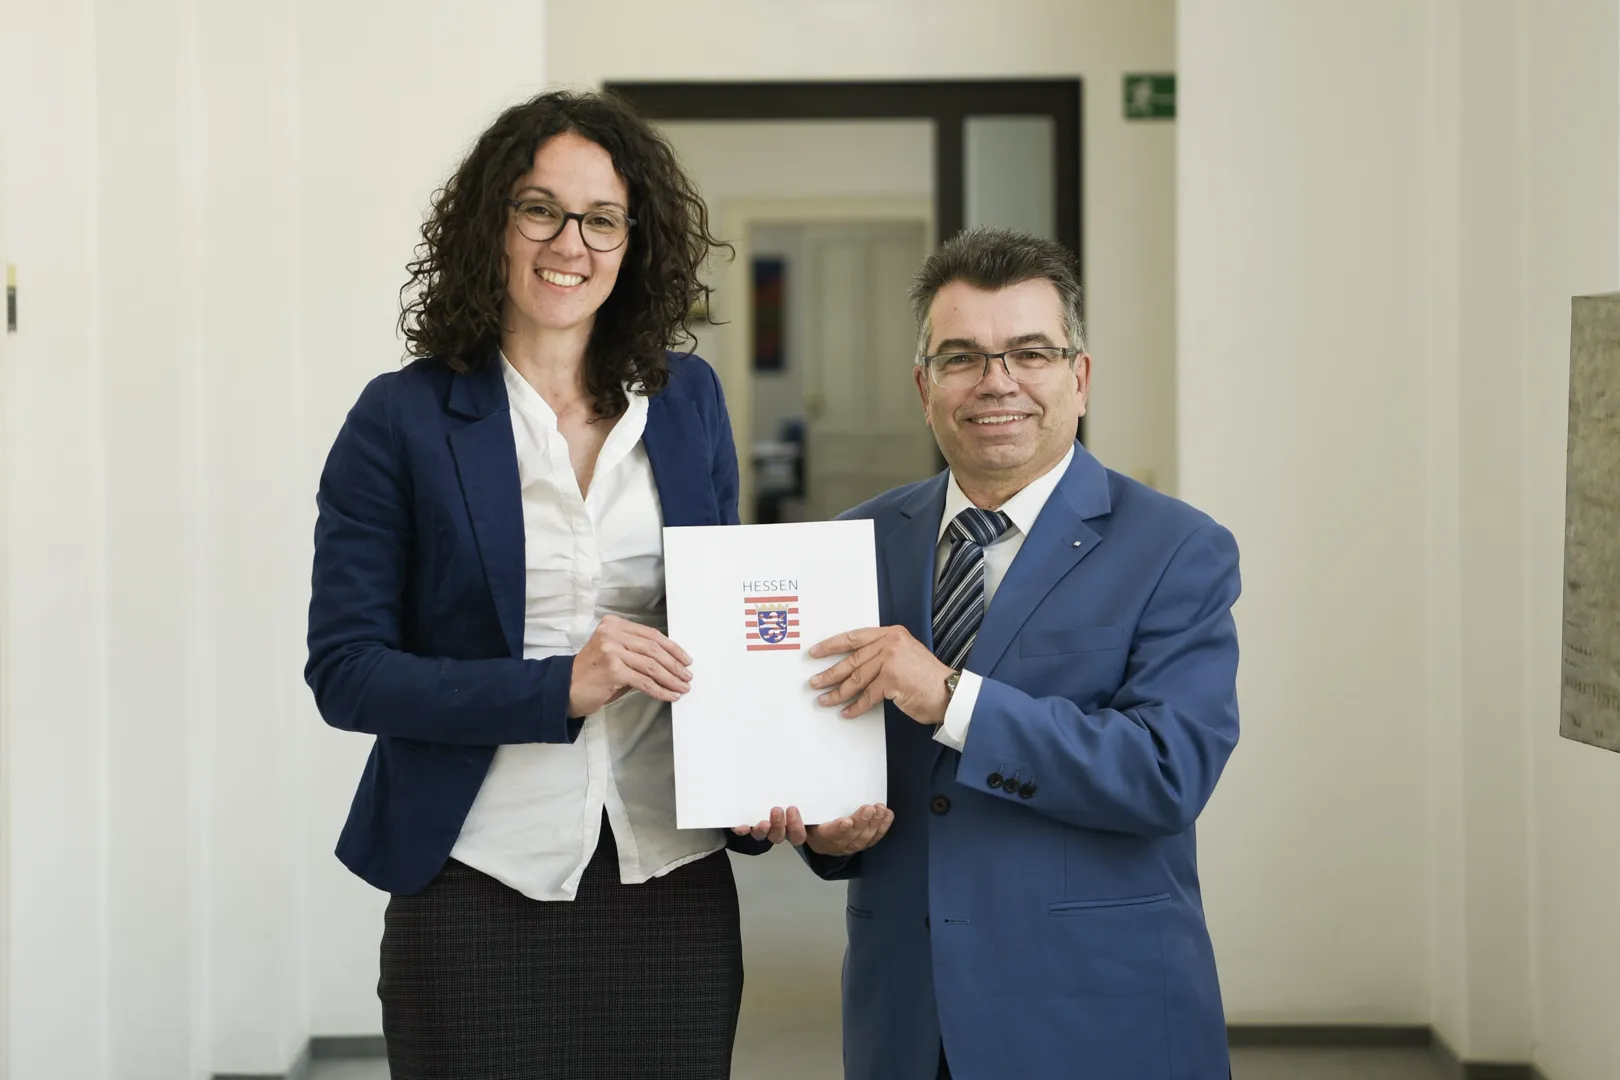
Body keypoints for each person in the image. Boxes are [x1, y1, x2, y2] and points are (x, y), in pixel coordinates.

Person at [304, 89, 801, 1079]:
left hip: (672, 874)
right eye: (541, 209)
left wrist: (769, 766)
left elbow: (725, 614)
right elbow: (348, 672)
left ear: (633, 242)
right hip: (476, 873)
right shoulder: (400, 419)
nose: (570, 243)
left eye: (602, 218)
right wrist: (555, 687)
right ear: (492, 224)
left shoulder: (689, 401)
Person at [797, 227, 1242, 1080]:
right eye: (961, 357)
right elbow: (826, 756)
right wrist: (826, 832)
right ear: (924, 387)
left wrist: (951, 698)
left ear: (1080, 377)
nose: (996, 380)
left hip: (1096, 1013)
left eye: (1030, 353)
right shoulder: (852, 543)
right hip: (908, 1017)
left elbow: (1167, 772)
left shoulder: (1177, 549)